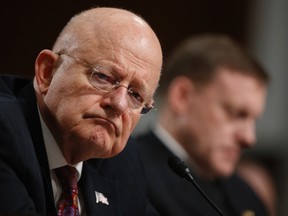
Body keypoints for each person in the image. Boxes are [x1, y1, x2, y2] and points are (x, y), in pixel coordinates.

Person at [0, 7, 162, 216]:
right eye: (103, 76)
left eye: (136, 96)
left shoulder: (123, 164)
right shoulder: (4, 129)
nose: (119, 104)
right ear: (47, 72)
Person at [136, 34, 270, 216]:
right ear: (182, 97)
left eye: (253, 120)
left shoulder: (246, 194)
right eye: (235, 114)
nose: (249, 138)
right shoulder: (128, 173)